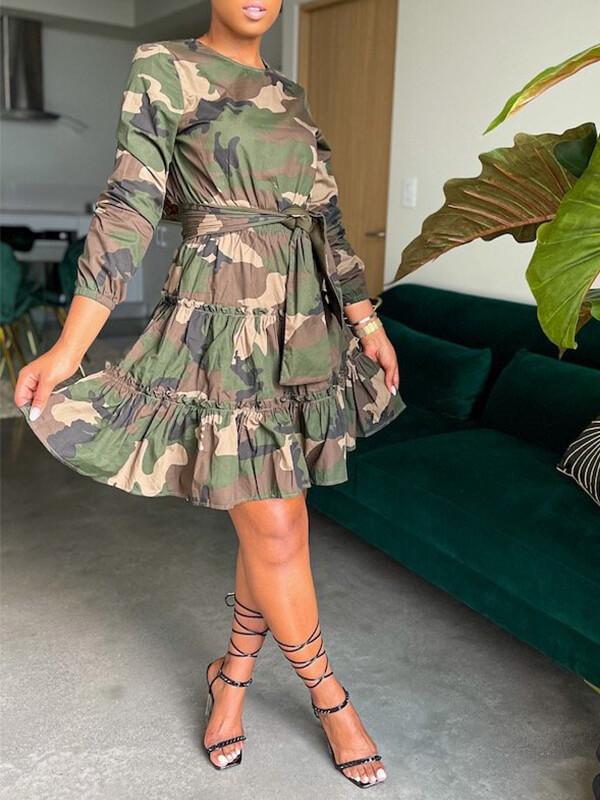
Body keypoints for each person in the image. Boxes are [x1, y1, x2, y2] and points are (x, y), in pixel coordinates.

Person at [13, 0, 405, 788]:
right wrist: (69, 348)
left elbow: (325, 220)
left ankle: (231, 678)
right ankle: (331, 698)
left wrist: (367, 322)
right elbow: (127, 208)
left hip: (302, 326)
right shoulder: (165, 67)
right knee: (280, 526)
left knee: (269, 524)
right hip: (220, 323)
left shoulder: (291, 94)